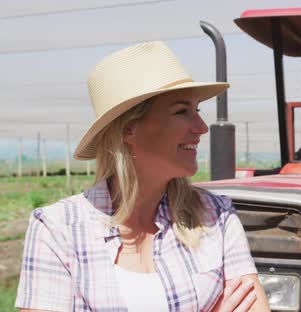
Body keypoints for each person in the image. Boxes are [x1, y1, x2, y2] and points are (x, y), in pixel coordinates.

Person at [15, 41, 270, 312]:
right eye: (181, 111)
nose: (201, 127)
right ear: (129, 130)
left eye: (197, 110)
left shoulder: (217, 216)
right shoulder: (58, 230)